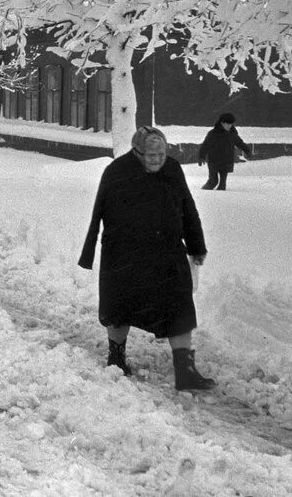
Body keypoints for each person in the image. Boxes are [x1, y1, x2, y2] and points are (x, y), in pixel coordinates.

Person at [79, 126, 215, 391]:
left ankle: (184, 370)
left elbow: (187, 208)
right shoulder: (117, 172)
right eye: (151, 154)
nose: (156, 159)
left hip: (167, 252)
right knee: (120, 307)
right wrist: (91, 250)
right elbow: (98, 213)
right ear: (137, 152)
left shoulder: (173, 169)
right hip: (125, 253)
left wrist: (196, 245)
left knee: (179, 306)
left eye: (161, 153)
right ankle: (116, 358)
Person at [197, 112, 252, 190]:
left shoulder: (232, 134)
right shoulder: (213, 134)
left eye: (231, 124)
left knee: (222, 185)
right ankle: (205, 192)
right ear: (222, 123)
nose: (229, 126)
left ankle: (221, 199)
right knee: (213, 181)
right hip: (214, 161)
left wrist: (247, 151)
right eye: (227, 124)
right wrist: (201, 156)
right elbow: (205, 145)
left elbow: (240, 143)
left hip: (226, 162)